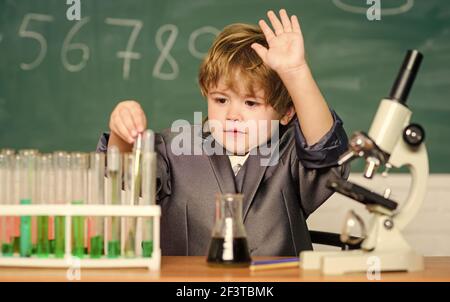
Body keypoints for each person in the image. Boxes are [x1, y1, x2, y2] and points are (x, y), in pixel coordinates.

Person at [97, 9, 349, 256]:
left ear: (286, 113)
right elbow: (125, 176)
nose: (232, 115)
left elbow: (324, 151)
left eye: (251, 103)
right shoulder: (174, 149)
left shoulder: (290, 156)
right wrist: (121, 133)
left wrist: (296, 74)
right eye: (220, 100)